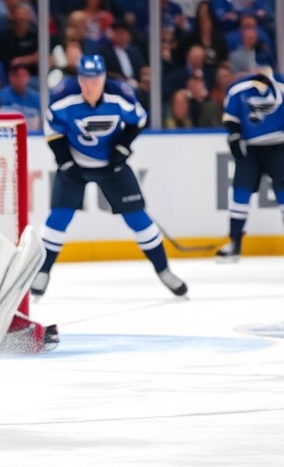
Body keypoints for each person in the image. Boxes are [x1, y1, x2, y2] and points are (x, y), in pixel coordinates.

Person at [31, 55, 187, 298]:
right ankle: (43, 271)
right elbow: (52, 131)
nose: (89, 85)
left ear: (104, 78)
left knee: (137, 218)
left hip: (111, 167)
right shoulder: (63, 96)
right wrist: (65, 162)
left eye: (95, 79)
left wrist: (122, 148)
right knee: (58, 217)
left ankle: (164, 270)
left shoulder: (120, 95)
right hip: (75, 165)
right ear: (78, 79)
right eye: (85, 79)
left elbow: (139, 121)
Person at [215, 68, 284, 262]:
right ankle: (234, 243)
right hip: (250, 150)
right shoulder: (239, 89)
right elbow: (231, 118)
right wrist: (234, 136)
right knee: (240, 194)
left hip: (279, 148)